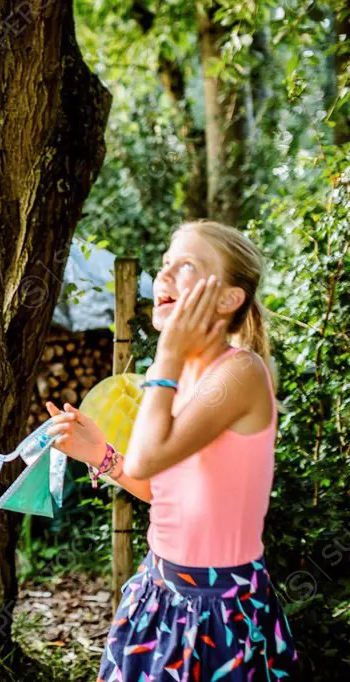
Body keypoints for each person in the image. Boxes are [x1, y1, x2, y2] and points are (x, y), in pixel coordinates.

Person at [46, 220, 297, 681]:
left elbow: (147, 455)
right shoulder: (179, 380)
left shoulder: (239, 374)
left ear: (227, 299)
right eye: (165, 263)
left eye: (186, 266)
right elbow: (162, 492)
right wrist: (101, 454)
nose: (164, 275)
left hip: (220, 611)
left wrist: (166, 356)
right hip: (157, 592)